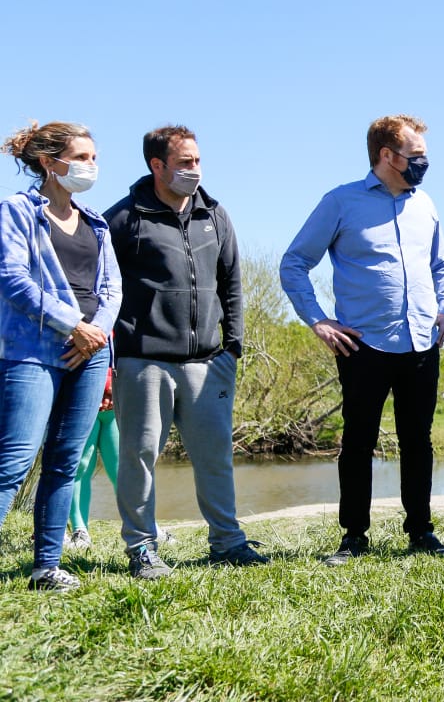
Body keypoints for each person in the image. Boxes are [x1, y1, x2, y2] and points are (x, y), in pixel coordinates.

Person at [281, 114, 444, 565]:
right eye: (416, 155)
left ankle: (420, 531)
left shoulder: (426, 205)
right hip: (363, 344)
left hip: (422, 340)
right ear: (387, 155)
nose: (423, 163)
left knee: (418, 440)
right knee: (358, 441)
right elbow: (295, 263)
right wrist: (318, 320)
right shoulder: (341, 202)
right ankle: (354, 538)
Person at [105, 125, 268, 579]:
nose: (195, 170)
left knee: (215, 456)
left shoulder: (214, 215)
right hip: (143, 360)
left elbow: (232, 282)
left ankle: (228, 542)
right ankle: (141, 548)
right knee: (139, 457)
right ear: (157, 165)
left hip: (208, 362)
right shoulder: (123, 219)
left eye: (197, 161)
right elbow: (103, 287)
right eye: (185, 163)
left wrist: (232, 346)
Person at [0, 121, 121, 591]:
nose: (92, 166)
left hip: (90, 353)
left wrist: (96, 335)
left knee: (65, 461)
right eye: (83, 157)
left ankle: (46, 567)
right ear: (50, 163)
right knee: (14, 460)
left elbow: (111, 288)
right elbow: (13, 280)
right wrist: (73, 326)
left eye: (94, 157)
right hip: (33, 352)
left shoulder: (97, 222)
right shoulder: (16, 212)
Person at [66, 369, 117, 549]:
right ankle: (80, 530)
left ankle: (144, 527)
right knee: (80, 467)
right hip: (83, 399)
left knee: (122, 469)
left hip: (117, 401)